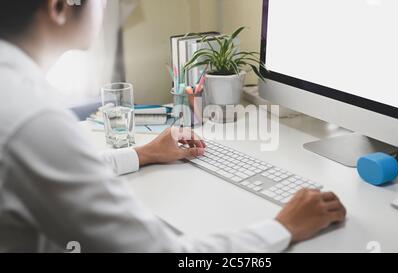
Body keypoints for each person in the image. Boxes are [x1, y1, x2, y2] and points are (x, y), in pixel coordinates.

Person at [0, 0, 346, 253]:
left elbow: (50, 172)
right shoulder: (33, 119)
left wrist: (142, 153)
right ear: (59, 6)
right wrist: (282, 227)